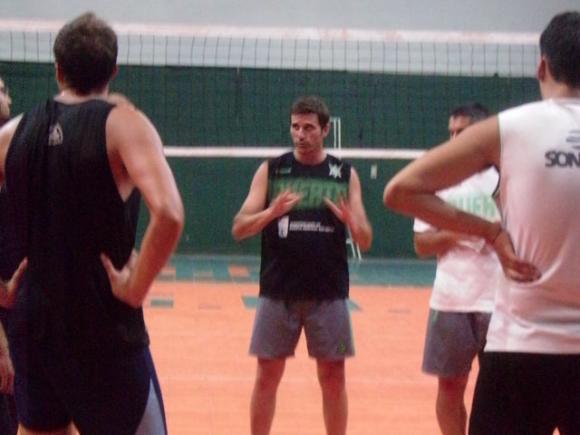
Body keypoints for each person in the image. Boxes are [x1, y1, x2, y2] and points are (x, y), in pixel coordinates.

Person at [385, 10, 580, 435]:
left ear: (542, 66)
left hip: (521, 351)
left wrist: (490, 232)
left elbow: (400, 191)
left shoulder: (509, 129)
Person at [0, 12, 184, 435]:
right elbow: (170, 213)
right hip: (102, 326)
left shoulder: (14, 132)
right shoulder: (124, 124)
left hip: (35, 322)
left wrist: (3, 289)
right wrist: (135, 286)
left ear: (57, 68)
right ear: (114, 70)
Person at [232, 95, 372, 435]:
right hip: (277, 292)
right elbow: (239, 228)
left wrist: (351, 221)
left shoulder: (344, 174)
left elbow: (366, 239)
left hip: (329, 294)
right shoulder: (272, 170)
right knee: (267, 376)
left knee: (333, 376)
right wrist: (272, 212)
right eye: (295, 127)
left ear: (325, 129)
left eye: (309, 128)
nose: (300, 134)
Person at [413, 103, 501, 435]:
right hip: (450, 300)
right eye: (450, 133)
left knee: (500, 392)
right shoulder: (437, 181)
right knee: (449, 387)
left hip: (499, 302)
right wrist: (463, 232)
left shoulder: (507, 178)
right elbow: (421, 244)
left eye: (461, 133)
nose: (453, 140)